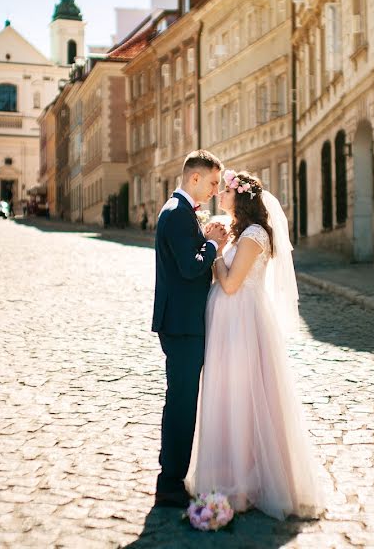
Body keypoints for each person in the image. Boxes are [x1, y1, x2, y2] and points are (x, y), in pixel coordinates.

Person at [186, 170, 325, 520]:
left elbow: (232, 284)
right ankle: (230, 474)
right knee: (227, 397)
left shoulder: (254, 234)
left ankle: (250, 482)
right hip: (226, 324)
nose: (220, 194)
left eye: (226, 190)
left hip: (242, 324)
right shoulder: (236, 230)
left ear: (241, 196)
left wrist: (215, 252)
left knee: (246, 398)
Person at [151, 150, 228, 508]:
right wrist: (212, 244)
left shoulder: (180, 212)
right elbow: (191, 267)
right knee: (182, 403)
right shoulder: (177, 214)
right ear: (194, 178)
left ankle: (171, 476)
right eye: (213, 182)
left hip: (181, 322)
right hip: (182, 325)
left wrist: (205, 239)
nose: (216, 189)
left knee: (180, 400)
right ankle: (169, 483)